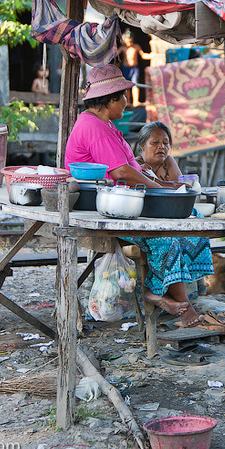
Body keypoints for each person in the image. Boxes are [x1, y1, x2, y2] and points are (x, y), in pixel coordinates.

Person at [64, 65, 212, 327]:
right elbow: (120, 172)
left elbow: (128, 164)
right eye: (123, 97)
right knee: (166, 236)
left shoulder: (105, 124)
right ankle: (181, 307)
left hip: (123, 203)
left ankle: (162, 294)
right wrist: (157, 187)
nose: (126, 103)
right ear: (110, 99)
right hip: (104, 210)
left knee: (195, 221)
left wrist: (149, 176)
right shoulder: (93, 126)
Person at [117, 29, 152, 115]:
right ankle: (128, 101)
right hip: (125, 68)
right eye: (127, 41)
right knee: (126, 86)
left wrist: (153, 55)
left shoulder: (136, 47)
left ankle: (136, 101)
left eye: (130, 41)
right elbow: (115, 54)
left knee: (135, 84)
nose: (129, 43)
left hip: (134, 68)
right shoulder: (123, 48)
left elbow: (143, 55)